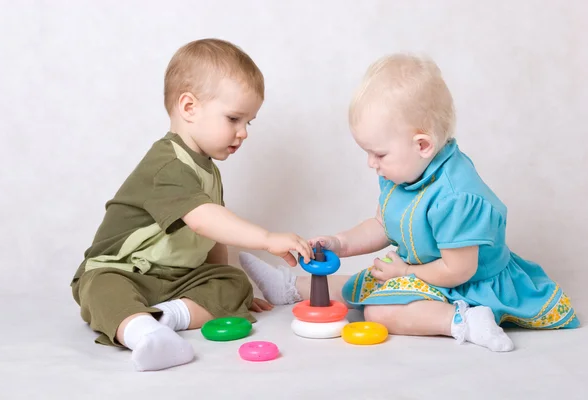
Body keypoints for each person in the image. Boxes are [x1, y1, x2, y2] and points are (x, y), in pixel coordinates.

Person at [239, 53, 579, 352]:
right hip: (424, 271)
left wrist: (405, 272)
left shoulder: (457, 196)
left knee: (379, 311)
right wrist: (340, 243)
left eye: (379, 153)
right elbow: (383, 224)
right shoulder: (401, 171)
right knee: (364, 284)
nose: (372, 163)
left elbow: (459, 269)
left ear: (422, 145)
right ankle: (292, 286)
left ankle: (465, 320)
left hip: (466, 283)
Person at [70, 38, 313, 371]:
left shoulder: (207, 169)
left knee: (234, 282)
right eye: (233, 119)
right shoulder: (167, 164)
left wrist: (225, 289)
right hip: (124, 271)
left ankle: (163, 318)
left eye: (249, 122)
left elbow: (213, 237)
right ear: (188, 107)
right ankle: (143, 333)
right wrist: (267, 239)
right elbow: (203, 220)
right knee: (100, 289)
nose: (243, 133)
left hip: (175, 279)